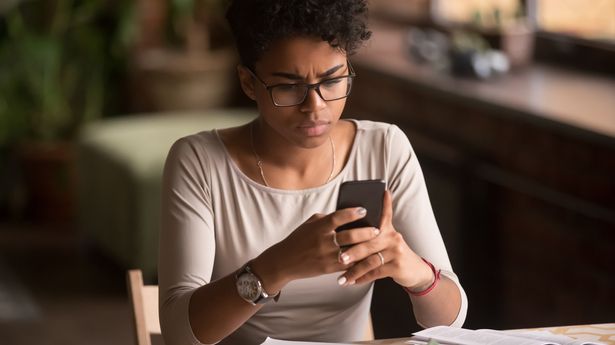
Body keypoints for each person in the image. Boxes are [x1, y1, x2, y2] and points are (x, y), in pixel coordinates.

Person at [158, 0, 468, 344]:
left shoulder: (384, 149)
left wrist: (416, 273)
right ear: (248, 83)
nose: (316, 107)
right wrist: (277, 266)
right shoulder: (199, 162)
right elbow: (178, 334)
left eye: (333, 80)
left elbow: (450, 323)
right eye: (289, 87)